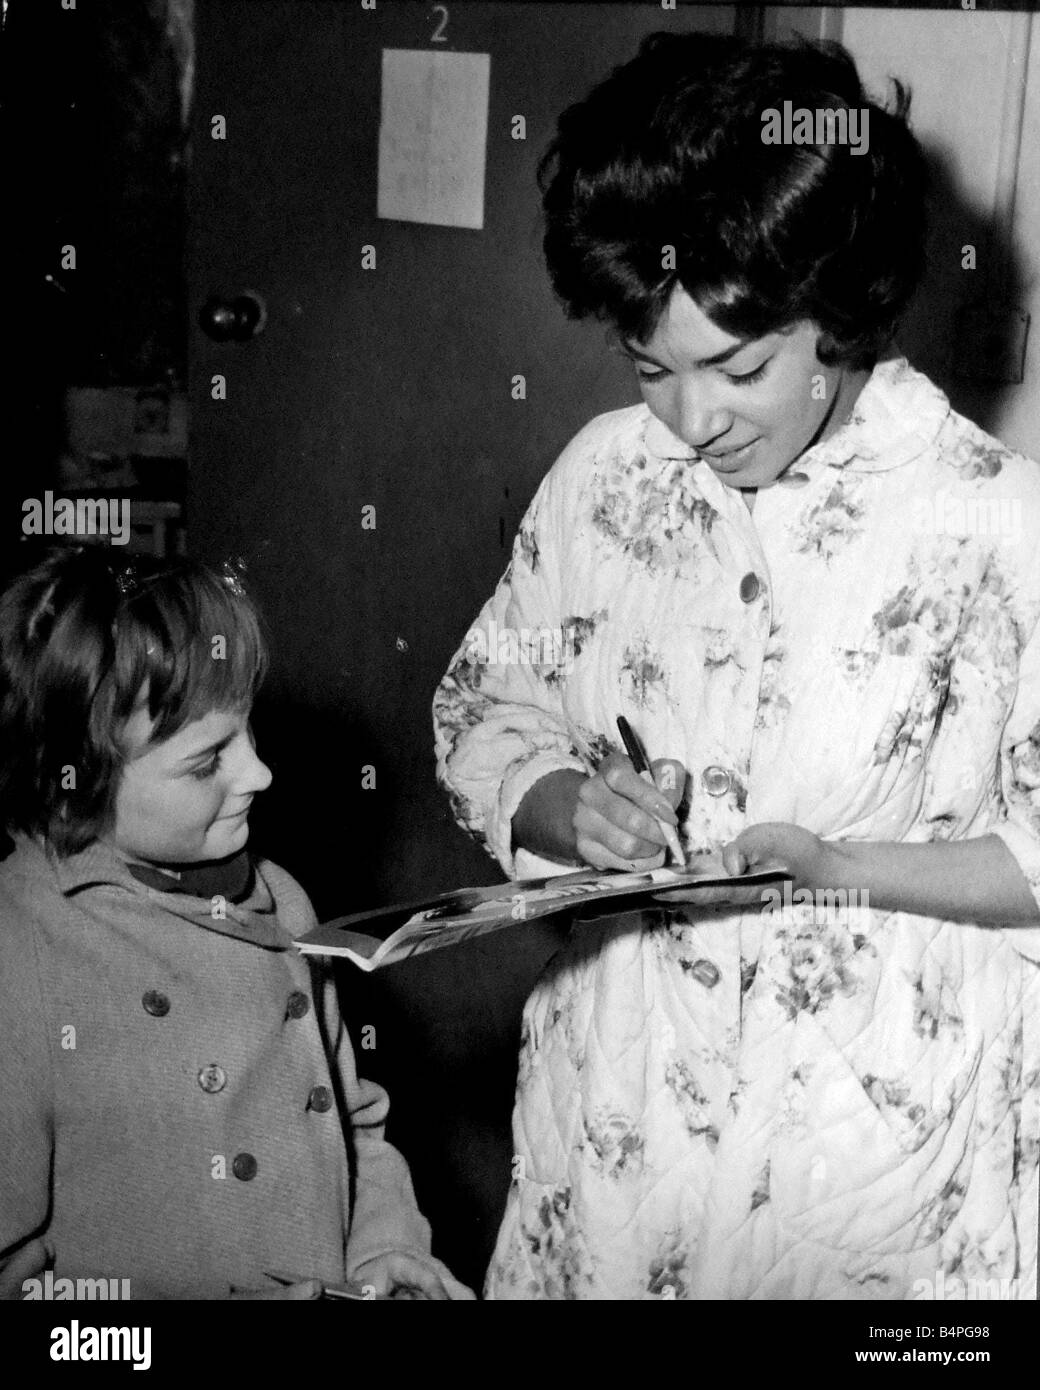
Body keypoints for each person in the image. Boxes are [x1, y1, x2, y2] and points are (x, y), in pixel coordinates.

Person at [433, 32, 1040, 1300]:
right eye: (651, 367)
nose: (691, 419)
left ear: (842, 309)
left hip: (871, 1168)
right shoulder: (604, 479)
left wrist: (834, 873)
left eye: (739, 367)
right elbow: (485, 704)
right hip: (618, 1122)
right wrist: (558, 801)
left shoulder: (994, 527)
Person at [0, 547, 474, 1301]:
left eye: (247, 733)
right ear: (77, 784)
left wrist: (381, 1247)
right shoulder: (23, 943)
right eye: (207, 760)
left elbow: (351, 1126)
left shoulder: (281, 899)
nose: (259, 774)